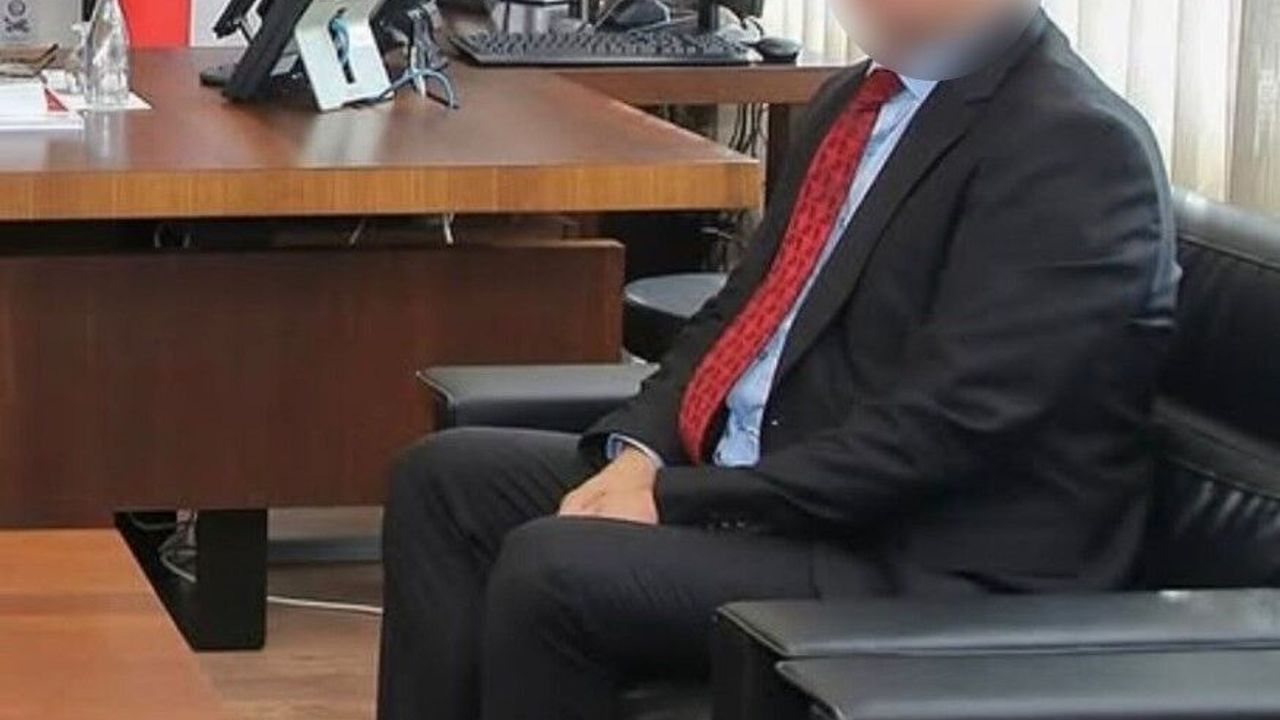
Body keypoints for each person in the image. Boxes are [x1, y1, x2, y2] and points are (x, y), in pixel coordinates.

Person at [378, 0, 1179, 717]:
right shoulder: (857, 101)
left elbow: (943, 431)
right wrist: (641, 453)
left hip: (920, 558)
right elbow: (740, 314)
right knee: (446, 482)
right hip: (787, 489)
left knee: (555, 568)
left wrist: (677, 498)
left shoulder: (1073, 147)